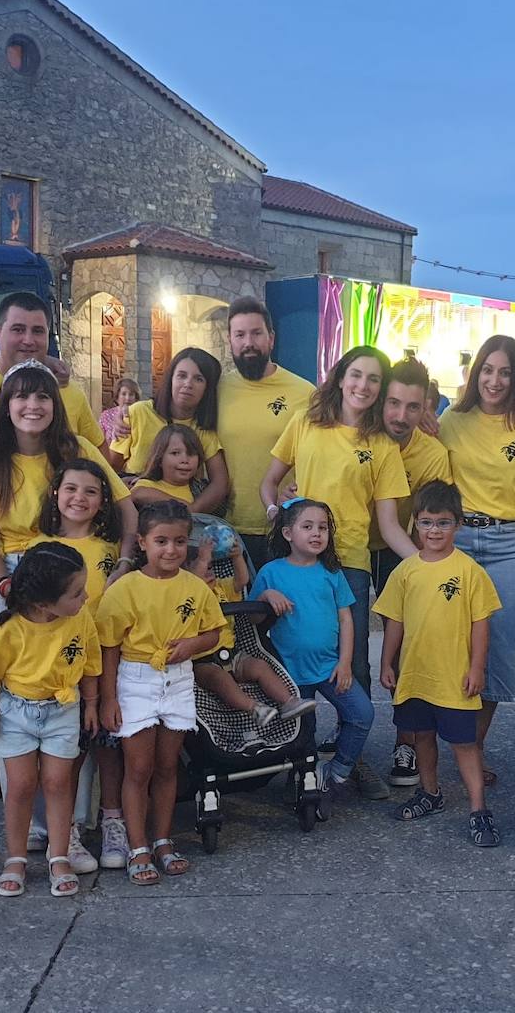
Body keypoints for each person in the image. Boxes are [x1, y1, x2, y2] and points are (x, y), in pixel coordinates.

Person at [0, 291, 128, 802]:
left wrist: (120, 555)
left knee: (65, 655)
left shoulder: (71, 418)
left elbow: (102, 477)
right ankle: (7, 754)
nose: (28, 340)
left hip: (65, 558)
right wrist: (4, 579)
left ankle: (66, 754)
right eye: (17, 329)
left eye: (37, 331)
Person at [260, 345, 417, 800]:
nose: (363, 386)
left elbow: (388, 524)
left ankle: (354, 760)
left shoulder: (382, 446)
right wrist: (275, 510)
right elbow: (270, 480)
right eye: (356, 374)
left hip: (347, 565)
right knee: (289, 661)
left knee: (354, 671)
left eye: (373, 379)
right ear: (340, 376)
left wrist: (424, 565)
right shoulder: (305, 423)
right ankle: (292, 755)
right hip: (294, 564)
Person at [440, 334, 515, 785]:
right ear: (477, 374)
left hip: (510, 543)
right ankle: (432, 744)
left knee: (498, 646)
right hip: (456, 540)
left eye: (505, 372)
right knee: (448, 643)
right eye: (487, 370)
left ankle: (472, 745)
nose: (494, 380)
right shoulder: (451, 419)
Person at [96, 501, 225, 884]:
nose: (171, 550)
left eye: (180, 541)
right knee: (139, 767)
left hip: (179, 677)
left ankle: (164, 840)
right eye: (161, 541)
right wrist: (107, 698)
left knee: (168, 766)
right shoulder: (126, 589)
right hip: (135, 679)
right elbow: (109, 647)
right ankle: (138, 847)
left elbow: (214, 630)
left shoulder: (194, 587)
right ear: (142, 542)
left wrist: (192, 645)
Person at [374, 481, 502, 846]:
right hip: (415, 677)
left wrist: (476, 668)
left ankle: (479, 810)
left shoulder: (470, 571)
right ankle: (430, 793)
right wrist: (387, 663)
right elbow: (394, 621)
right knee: (422, 737)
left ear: (458, 524)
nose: (434, 530)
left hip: (454, 679)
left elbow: (481, 625)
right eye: (427, 522)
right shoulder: (406, 570)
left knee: (464, 744)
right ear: (415, 523)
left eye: (443, 523)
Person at [0, 543, 101, 898]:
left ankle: (58, 855)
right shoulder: (9, 629)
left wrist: (91, 705)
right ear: (44, 604)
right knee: (22, 785)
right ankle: (15, 858)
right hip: (15, 712)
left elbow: (90, 661)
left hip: (63, 709)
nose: (86, 597)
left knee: (59, 782)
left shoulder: (80, 617)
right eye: (76, 593)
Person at [0, 361, 131, 622]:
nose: (33, 405)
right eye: (22, 396)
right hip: (20, 573)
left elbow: (126, 507)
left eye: (43, 397)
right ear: (6, 406)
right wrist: (7, 584)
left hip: (83, 567)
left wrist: (124, 563)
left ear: (55, 405)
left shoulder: (78, 449)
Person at [29, 458, 127, 872]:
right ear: (55, 494)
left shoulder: (115, 552)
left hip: (110, 656)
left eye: (90, 491)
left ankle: (112, 821)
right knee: (66, 751)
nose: (79, 498)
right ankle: (63, 830)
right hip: (62, 668)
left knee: (110, 742)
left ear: (103, 501)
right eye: (71, 488)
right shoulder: (41, 548)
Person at [250, 499, 366, 813]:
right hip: (290, 670)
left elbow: (346, 618)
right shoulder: (271, 572)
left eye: (323, 527)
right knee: (304, 733)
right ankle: (304, 782)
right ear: (287, 533)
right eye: (308, 526)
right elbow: (253, 621)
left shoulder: (331, 572)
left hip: (330, 665)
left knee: (362, 714)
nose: (317, 533)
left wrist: (345, 662)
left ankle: (336, 773)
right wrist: (265, 596)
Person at [369, 357, 453, 788]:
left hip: (399, 551)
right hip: (341, 549)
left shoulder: (433, 453)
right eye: (394, 403)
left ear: (427, 410)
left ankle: (405, 741)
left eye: (413, 407)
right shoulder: (356, 430)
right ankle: (352, 731)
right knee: (335, 647)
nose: (401, 416)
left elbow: (431, 520)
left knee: (404, 649)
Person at [216, 297, 316, 568]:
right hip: (227, 529)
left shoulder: (304, 392)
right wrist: (126, 416)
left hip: (286, 528)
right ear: (230, 340)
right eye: (240, 334)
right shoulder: (216, 389)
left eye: (256, 333)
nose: (248, 342)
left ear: (271, 338)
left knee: (286, 609)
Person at [188, 534, 316, 727]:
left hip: (233, 653)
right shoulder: (187, 596)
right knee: (219, 678)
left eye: (211, 568)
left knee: (259, 667)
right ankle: (254, 708)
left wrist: (237, 557)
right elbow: (193, 584)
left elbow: (242, 580)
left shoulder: (221, 588)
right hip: (203, 661)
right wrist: (203, 558)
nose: (209, 573)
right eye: (204, 569)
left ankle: (288, 702)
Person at [107, 347, 229, 514]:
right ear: (170, 378)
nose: (188, 384)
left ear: (207, 388)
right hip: (135, 511)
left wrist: (190, 511)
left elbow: (220, 484)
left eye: (198, 379)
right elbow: (112, 466)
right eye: (181, 376)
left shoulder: (203, 428)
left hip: (181, 519)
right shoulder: (138, 413)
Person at [129, 424, 207, 506]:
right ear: (159, 459)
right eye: (175, 453)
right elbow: (137, 494)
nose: (185, 460)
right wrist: (187, 507)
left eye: (191, 453)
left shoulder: (201, 490)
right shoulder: (147, 485)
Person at [100, 377, 142, 444]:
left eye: (131, 394)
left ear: (136, 398)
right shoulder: (106, 415)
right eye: (123, 394)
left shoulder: (141, 415)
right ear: (117, 397)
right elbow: (101, 441)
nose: (127, 398)